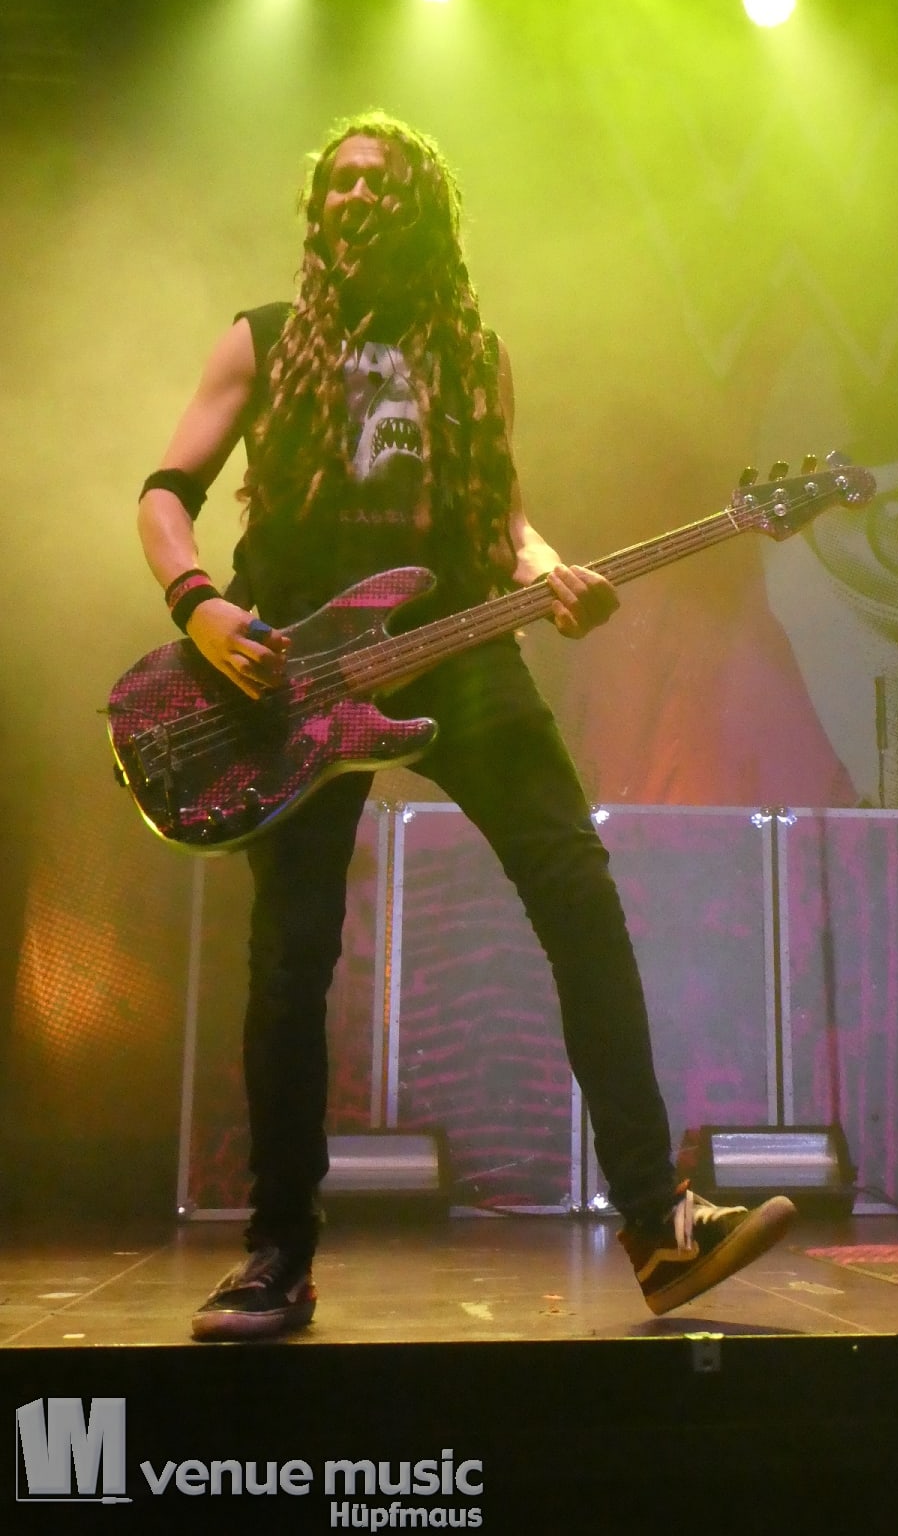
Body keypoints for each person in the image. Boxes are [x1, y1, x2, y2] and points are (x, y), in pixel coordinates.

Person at [136, 111, 796, 1340]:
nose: (353, 199)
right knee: (290, 958)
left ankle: (658, 1225)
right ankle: (278, 1255)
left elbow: (502, 519)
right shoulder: (262, 337)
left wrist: (551, 575)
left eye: (378, 183)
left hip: (456, 648)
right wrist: (201, 606)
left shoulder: (473, 358)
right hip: (293, 672)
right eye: (337, 185)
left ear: (427, 210)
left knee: (578, 893)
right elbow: (166, 491)